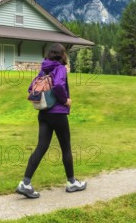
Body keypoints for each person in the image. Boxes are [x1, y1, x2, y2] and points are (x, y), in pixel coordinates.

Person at [15, 43, 87, 198]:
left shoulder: (43, 69)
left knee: (41, 147)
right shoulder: (60, 68)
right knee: (66, 147)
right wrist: (65, 100)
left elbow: (31, 88)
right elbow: (60, 85)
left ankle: (25, 183)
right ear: (62, 55)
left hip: (43, 113)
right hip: (58, 113)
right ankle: (71, 182)